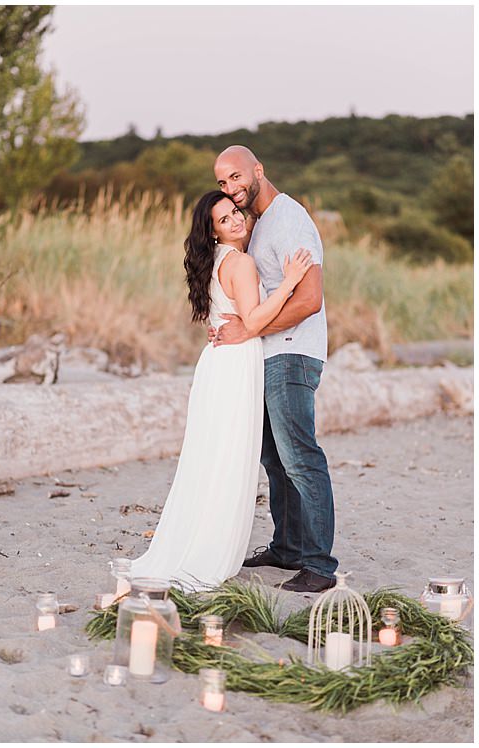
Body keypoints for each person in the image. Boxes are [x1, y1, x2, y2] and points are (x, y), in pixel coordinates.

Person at [130, 191, 313, 588]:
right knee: (229, 459)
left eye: (235, 213)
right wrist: (289, 284)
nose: (236, 221)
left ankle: (199, 538)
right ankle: (211, 549)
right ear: (212, 232)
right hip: (235, 363)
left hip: (215, 363)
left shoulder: (214, 262)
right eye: (224, 220)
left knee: (210, 457)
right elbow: (254, 317)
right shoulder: (241, 262)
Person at [212, 145, 339, 593]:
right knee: (275, 459)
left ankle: (320, 565)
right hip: (268, 355)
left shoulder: (289, 219)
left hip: (292, 354)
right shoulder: (261, 225)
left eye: (235, 177)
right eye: (223, 183)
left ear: (257, 170)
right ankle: (287, 547)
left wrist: (247, 331)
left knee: (301, 457)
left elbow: (309, 299)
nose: (231, 187)